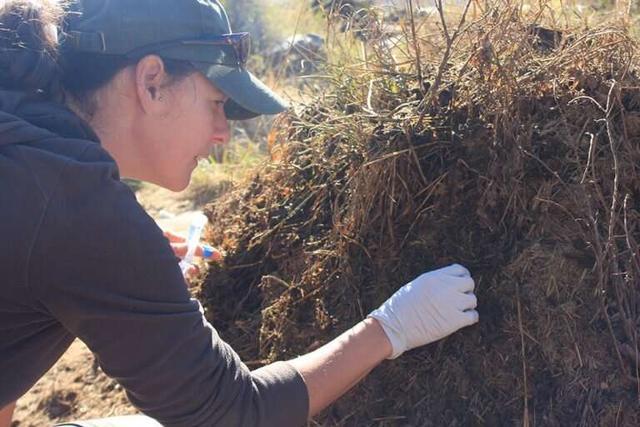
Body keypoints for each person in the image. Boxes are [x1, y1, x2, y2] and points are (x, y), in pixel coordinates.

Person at [0, 1, 480, 426]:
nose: (222, 133)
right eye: (217, 103)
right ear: (152, 82)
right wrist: (391, 327)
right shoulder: (76, 206)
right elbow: (231, 413)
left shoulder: (26, 132)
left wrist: (114, 266)